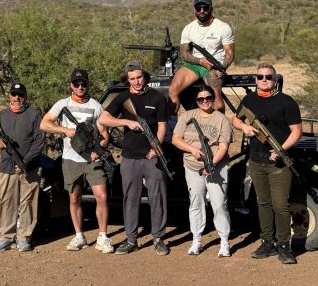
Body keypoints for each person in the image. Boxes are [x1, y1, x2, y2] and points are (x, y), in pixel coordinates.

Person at [232, 63, 301, 265]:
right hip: (256, 160)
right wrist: (245, 127)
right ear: (255, 79)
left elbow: (296, 132)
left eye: (268, 77)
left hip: (278, 163)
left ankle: (283, 246)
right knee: (263, 203)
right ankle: (267, 242)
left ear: (275, 79)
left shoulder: (286, 102)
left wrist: (280, 151)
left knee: (280, 206)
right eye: (260, 77)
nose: (264, 80)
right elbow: (236, 120)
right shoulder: (249, 99)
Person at [98, 61, 169, 256]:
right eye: (132, 79)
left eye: (139, 77)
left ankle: (158, 238)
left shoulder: (157, 98)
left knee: (158, 197)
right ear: (127, 80)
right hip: (129, 156)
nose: (136, 82)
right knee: (131, 198)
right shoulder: (122, 97)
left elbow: (163, 126)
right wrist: (126, 122)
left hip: (152, 155)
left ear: (144, 77)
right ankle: (131, 239)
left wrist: (157, 146)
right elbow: (103, 119)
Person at [40, 70, 114, 253]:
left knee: (102, 196)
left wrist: (100, 149)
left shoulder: (96, 106)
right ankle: (79, 235)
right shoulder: (62, 104)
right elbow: (44, 123)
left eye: (83, 84)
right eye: (76, 83)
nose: (80, 87)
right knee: (74, 197)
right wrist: (65, 131)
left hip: (92, 159)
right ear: (71, 85)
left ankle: (103, 237)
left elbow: (104, 135)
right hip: (71, 159)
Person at [171, 85, 232, 257]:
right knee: (196, 203)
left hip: (216, 168)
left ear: (213, 99)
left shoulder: (221, 119)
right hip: (192, 167)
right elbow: (176, 139)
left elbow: (223, 146)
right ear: (196, 101)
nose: (205, 101)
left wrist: (210, 164)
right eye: (201, 99)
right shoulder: (187, 116)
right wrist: (191, 149)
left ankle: (224, 241)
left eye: (208, 98)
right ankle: (197, 239)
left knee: (219, 204)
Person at [0, 82, 45, 252]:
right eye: (14, 94)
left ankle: (24, 237)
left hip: (31, 167)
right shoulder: (2, 115)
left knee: (28, 201)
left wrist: (26, 162)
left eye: (20, 95)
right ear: (9, 96)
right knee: (7, 200)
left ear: (25, 97)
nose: (17, 98)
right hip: (7, 165)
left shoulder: (35, 115)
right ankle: (7, 236)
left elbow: (39, 142)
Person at [168, 0, 235, 114]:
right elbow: (184, 53)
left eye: (205, 7)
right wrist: (200, 61)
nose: (202, 10)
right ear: (194, 10)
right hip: (194, 64)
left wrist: (222, 67)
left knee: (214, 94)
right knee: (173, 90)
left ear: (211, 8)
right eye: (198, 8)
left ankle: (219, 128)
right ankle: (171, 126)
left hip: (213, 66)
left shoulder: (223, 27)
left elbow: (229, 52)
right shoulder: (189, 28)